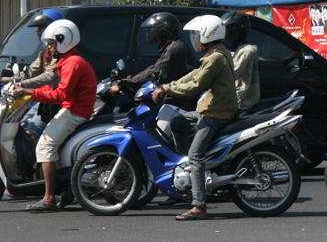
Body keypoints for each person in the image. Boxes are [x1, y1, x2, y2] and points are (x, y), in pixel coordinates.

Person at [152, 14, 238, 221]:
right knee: (178, 123)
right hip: (211, 109)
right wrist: (168, 85)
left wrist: (167, 89)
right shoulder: (217, 54)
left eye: (198, 35)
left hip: (215, 113)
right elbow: (192, 76)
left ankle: (199, 206)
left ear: (209, 34)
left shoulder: (216, 58)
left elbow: (195, 85)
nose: (196, 39)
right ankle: (188, 173)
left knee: (196, 154)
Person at [13, 19, 96, 212]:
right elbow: (48, 79)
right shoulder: (66, 60)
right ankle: (65, 189)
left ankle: (49, 198)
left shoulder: (72, 63)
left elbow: (61, 94)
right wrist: (25, 86)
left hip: (74, 111)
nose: (49, 48)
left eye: (51, 43)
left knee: (44, 146)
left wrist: (31, 93)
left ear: (63, 40)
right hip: (72, 109)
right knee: (54, 149)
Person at [0, 9, 64, 144]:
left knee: (31, 133)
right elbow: (29, 72)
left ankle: (37, 163)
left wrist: (23, 85)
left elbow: (48, 76)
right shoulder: (45, 51)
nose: (38, 32)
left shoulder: (61, 52)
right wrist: (3, 81)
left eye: (41, 27)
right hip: (42, 99)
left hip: (56, 103)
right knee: (19, 127)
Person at [111, 12, 196, 113]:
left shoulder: (174, 48)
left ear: (165, 32)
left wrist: (124, 85)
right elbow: (154, 68)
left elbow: (155, 73)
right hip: (178, 98)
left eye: (153, 30)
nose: (150, 33)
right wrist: (129, 80)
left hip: (181, 102)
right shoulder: (173, 46)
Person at [221, 11, 260, 110]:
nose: (226, 34)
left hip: (242, 99)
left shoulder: (247, 50)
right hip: (230, 96)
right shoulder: (231, 48)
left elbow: (232, 74)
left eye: (230, 31)